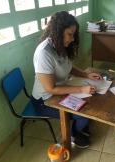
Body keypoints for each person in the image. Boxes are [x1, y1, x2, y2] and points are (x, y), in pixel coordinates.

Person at [31, 11, 102, 148]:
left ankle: (78, 127)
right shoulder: (44, 53)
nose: (73, 39)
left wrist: (85, 75)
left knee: (90, 103)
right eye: (70, 34)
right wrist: (81, 89)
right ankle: (73, 135)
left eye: (73, 34)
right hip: (45, 100)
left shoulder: (60, 45)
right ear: (58, 31)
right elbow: (50, 88)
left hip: (59, 91)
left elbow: (68, 67)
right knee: (84, 113)